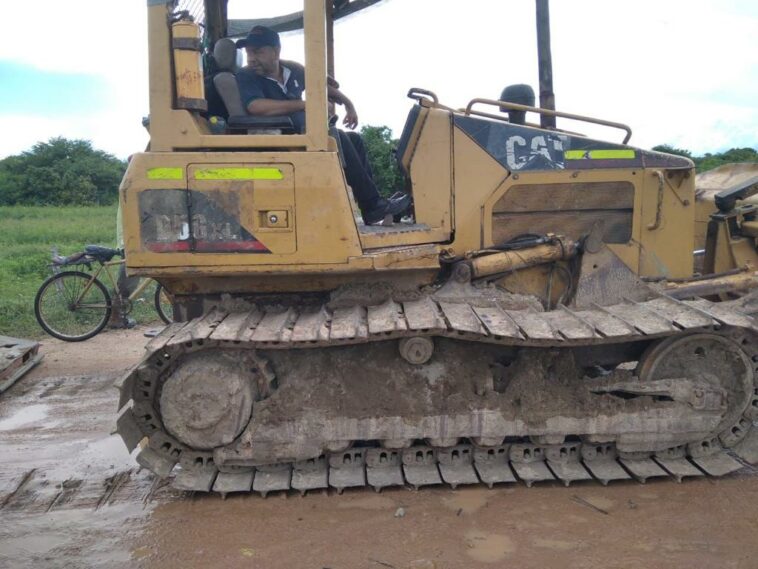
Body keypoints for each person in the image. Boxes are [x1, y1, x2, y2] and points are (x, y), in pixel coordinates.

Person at [235, 26, 410, 225]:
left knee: (354, 139)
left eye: (257, 52)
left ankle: (372, 205)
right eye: (249, 52)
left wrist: (349, 105)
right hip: (277, 138)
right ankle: (373, 205)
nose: (251, 58)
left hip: (302, 134)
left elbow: (322, 87)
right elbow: (256, 107)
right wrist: (305, 104)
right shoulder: (246, 76)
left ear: (276, 51)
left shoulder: (292, 70)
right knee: (334, 136)